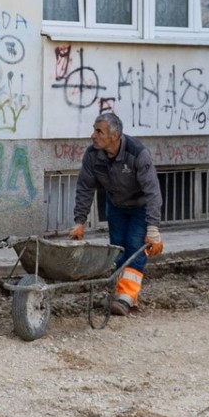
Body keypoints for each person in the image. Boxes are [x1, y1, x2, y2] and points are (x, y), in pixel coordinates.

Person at [70, 111, 164, 316]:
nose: (93, 135)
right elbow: (85, 187)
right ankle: (123, 293)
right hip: (116, 206)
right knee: (119, 249)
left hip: (141, 207)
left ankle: (125, 298)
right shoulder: (93, 155)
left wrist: (153, 227)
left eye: (99, 131)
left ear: (115, 136)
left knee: (134, 246)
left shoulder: (138, 153)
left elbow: (153, 191)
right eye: (94, 130)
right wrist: (80, 221)